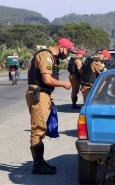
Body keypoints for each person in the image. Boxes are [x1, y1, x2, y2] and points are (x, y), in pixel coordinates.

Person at [25, 38, 74, 175]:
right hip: (38, 94)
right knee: (38, 129)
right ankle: (38, 165)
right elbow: (47, 79)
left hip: (43, 94)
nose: (67, 54)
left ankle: (40, 162)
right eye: (68, 51)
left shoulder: (52, 57)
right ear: (61, 47)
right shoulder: (46, 56)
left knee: (41, 128)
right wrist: (64, 84)